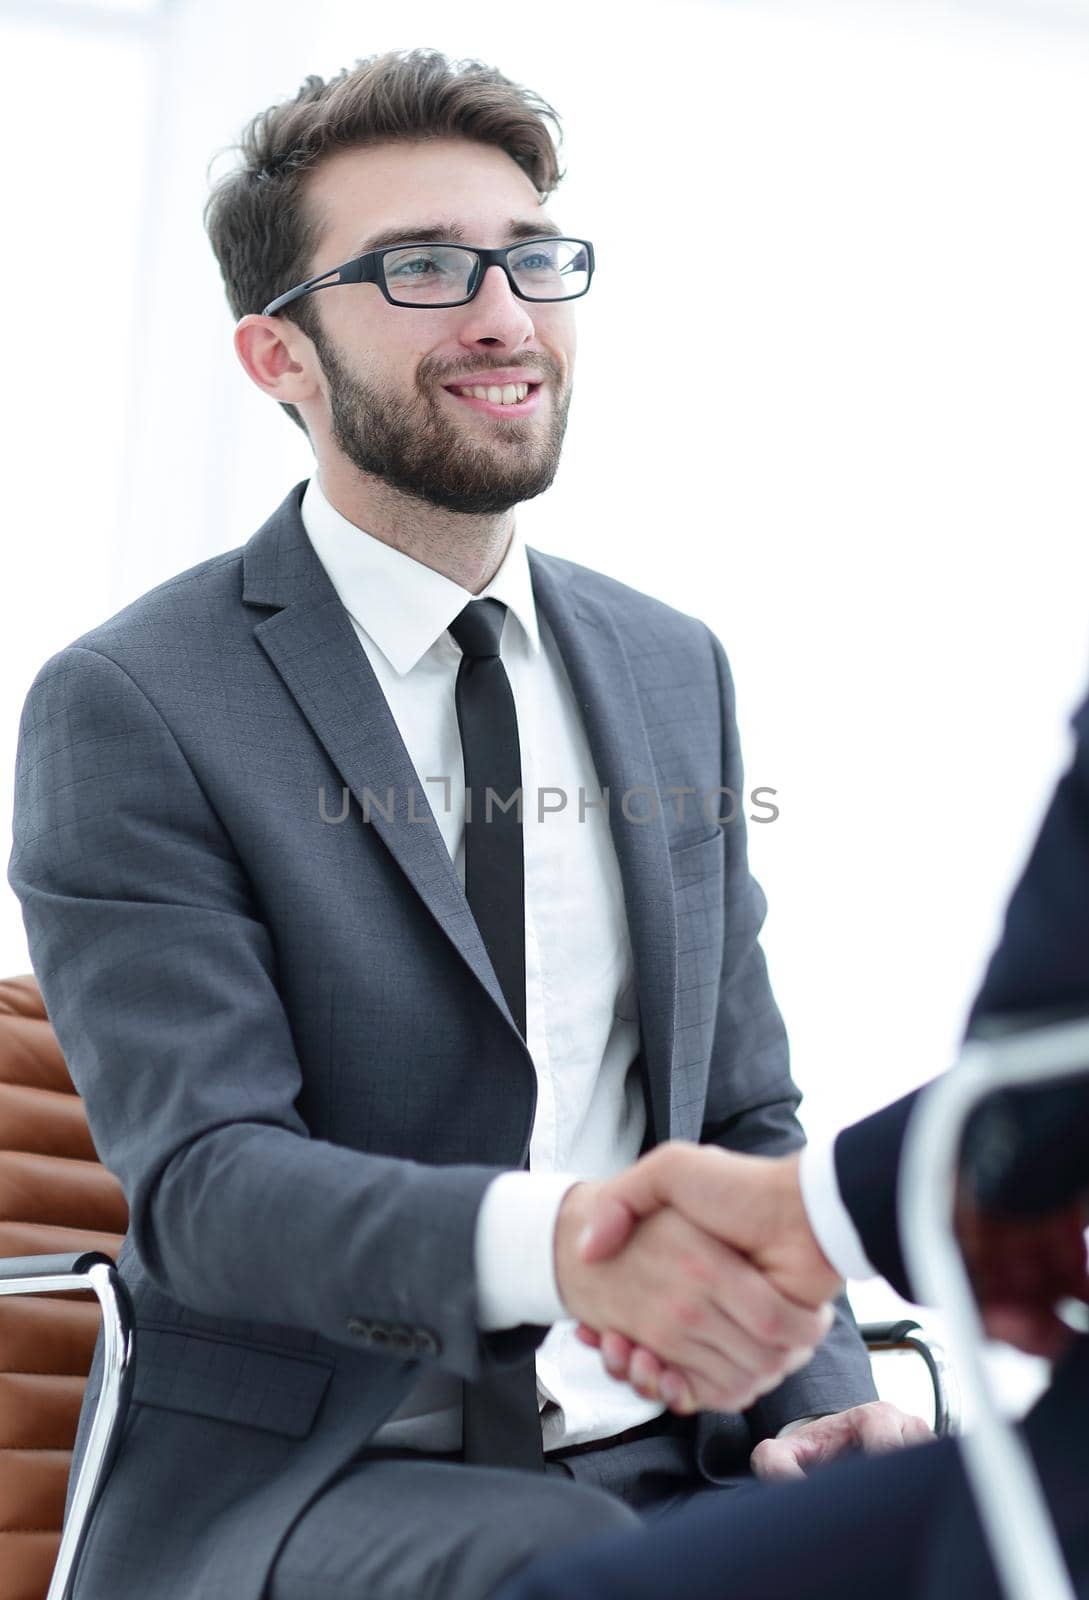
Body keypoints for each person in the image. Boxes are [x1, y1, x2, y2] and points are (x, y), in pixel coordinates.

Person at [4, 44, 927, 1600]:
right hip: (322, 1476)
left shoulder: (666, 665)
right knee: (570, 1561)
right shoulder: (135, 702)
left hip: (674, 1447)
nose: (503, 313)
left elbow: (744, 1120)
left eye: (532, 260)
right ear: (276, 359)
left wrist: (821, 1407)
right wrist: (556, 1241)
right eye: (421, 269)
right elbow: (211, 1190)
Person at [496, 687, 1089, 1598]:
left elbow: (1028, 1065)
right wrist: (825, 1221)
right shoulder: (196, 678)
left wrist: (828, 1223)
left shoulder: (666, 665)